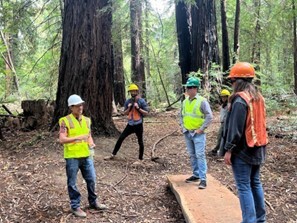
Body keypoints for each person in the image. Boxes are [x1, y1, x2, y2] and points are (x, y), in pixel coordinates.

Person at [223, 62, 268, 223]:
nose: (232, 84)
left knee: (244, 186)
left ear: (238, 81)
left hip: (243, 150)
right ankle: (260, 219)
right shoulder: (258, 97)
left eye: (232, 81)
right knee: (255, 182)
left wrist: (229, 150)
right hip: (259, 147)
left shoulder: (240, 100)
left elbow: (235, 129)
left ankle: (250, 220)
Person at [59, 94, 107, 218]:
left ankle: (93, 201)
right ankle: (75, 206)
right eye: (77, 105)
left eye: (81, 104)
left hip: (86, 155)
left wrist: (91, 143)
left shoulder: (87, 120)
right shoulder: (64, 121)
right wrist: (77, 138)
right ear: (71, 107)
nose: (80, 107)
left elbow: (88, 135)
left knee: (91, 179)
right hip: (72, 157)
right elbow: (62, 139)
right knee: (72, 183)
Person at [180, 77, 213, 189]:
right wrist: (182, 126)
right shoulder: (185, 101)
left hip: (198, 133)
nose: (188, 89)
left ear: (195, 88)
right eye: (187, 87)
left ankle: (203, 179)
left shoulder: (202, 101)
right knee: (192, 155)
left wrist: (202, 128)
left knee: (200, 155)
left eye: (190, 87)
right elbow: (182, 115)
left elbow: (209, 116)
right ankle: (196, 174)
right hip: (188, 133)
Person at [104, 83, 149, 163]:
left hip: (138, 124)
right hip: (130, 124)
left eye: (134, 91)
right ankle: (113, 155)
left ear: (137, 91)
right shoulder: (128, 101)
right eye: (131, 92)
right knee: (121, 138)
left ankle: (140, 159)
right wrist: (129, 107)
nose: (132, 93)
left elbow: (146, 112)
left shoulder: (141, 101)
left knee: (140, 141)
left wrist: (138, 108)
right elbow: (124, 113)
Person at [209, 89, 231, 156]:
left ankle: (216, 150)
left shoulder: (229, 105)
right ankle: (220, 150)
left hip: (226, 123)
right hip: (222, 123)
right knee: (221, 137)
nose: (223, 98)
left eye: (225, 96)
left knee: (221, 136)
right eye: (222, 97)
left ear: (228, 97)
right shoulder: (223, 105)